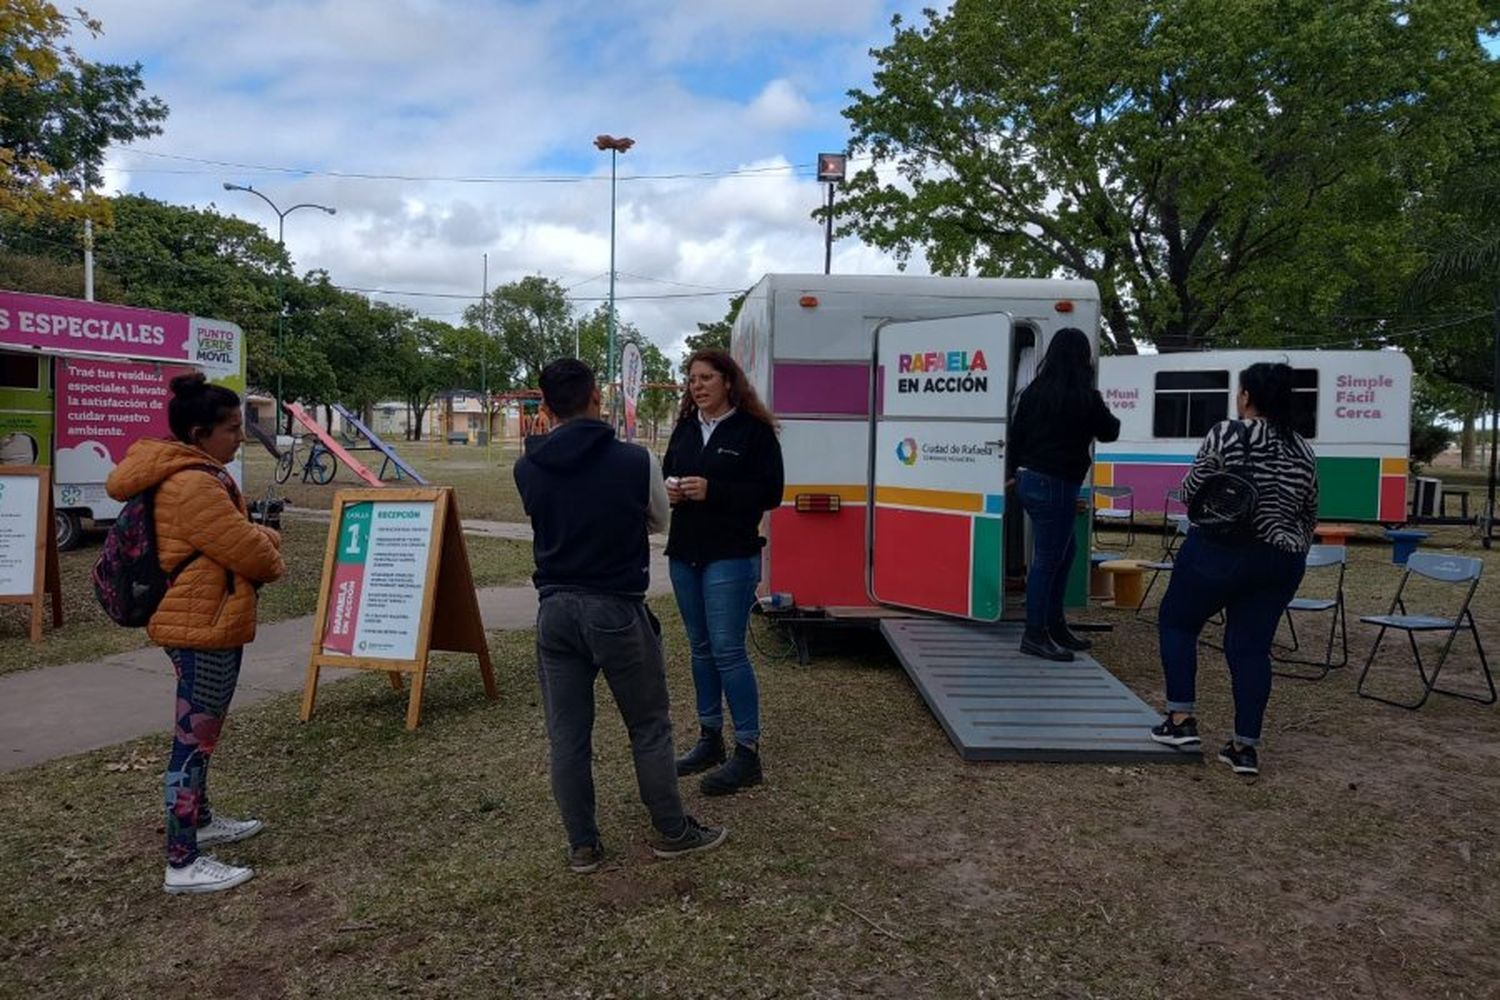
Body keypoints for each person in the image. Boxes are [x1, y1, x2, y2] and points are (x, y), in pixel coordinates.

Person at [513, 359, 727, 873]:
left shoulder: (527, 466)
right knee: (649, 727)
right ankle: (673, 831)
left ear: (544, 408)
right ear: (597, 400)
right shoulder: (634, 461)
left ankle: (583, 845)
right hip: (617, 608)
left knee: (567, 737)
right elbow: (658, 518)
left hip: (555, 613)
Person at [105, 373, 285, 894]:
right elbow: (254, 555)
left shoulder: (192, 473)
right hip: (200, 624)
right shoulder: (194, 484)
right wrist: (269, 539)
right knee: (193, 743)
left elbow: (241, 537)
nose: (241, 436)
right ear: (200, 432)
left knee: (200, 735)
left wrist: (256, 534)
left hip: (204, 617)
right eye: (232, 428)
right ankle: (182, 861)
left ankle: (201, 820)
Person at [1149, 363, 1318, 777]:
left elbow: (1192, 490)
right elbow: (1310, 509)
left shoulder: (1228, 432)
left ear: (1246, 396)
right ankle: (1244, 747)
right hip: (1281, 559)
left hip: (1223, 550)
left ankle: (1180, 720)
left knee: (1177, 622)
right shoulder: (1302, 447)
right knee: (1250, 648)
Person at [663, 349, 784, 795]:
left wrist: (715, 490)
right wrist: (671, 491)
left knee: (728, 650)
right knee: (699, 648)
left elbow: (771, 493)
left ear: (728, 382)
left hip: (730, 556)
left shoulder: (754, 432)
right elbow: (667, 473)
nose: (697, 386)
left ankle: (747, 752)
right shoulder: (684, 429)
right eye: (692, 379)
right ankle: (709, 739)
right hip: (684, 555)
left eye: (706, 377)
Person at [1008, 328, 1120, 661]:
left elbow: (1016, 436)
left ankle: (1054, 627)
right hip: (1056, 483)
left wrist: (1014, 471)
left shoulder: (1034, 392)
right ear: (1082, 358)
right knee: (1049, 560)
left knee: (1064, 554)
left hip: (1030, 480)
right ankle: (1035, 634)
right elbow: (1111, 432)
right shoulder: (1084, 396)